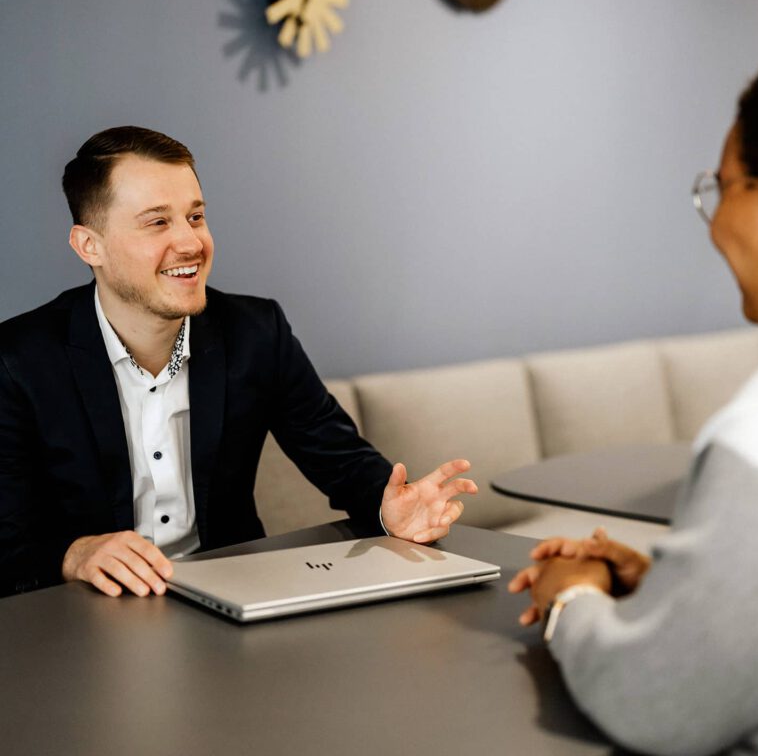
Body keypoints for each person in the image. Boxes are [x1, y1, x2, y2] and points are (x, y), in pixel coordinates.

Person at [509, 16, 758, 755]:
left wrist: (573, 598)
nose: (713, 224)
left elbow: (653, 702)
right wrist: (678, 589)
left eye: (724, 186)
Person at [0, 126, 477, 599]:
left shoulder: (256, 331)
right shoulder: (18, 360)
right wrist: (74, 554)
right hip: (80, 616)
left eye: (195, 216)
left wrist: (389, 507)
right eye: (157, 222)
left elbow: (340, 458)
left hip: (231, 605)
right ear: (90, 246)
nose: (191, 243)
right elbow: (8, 541)